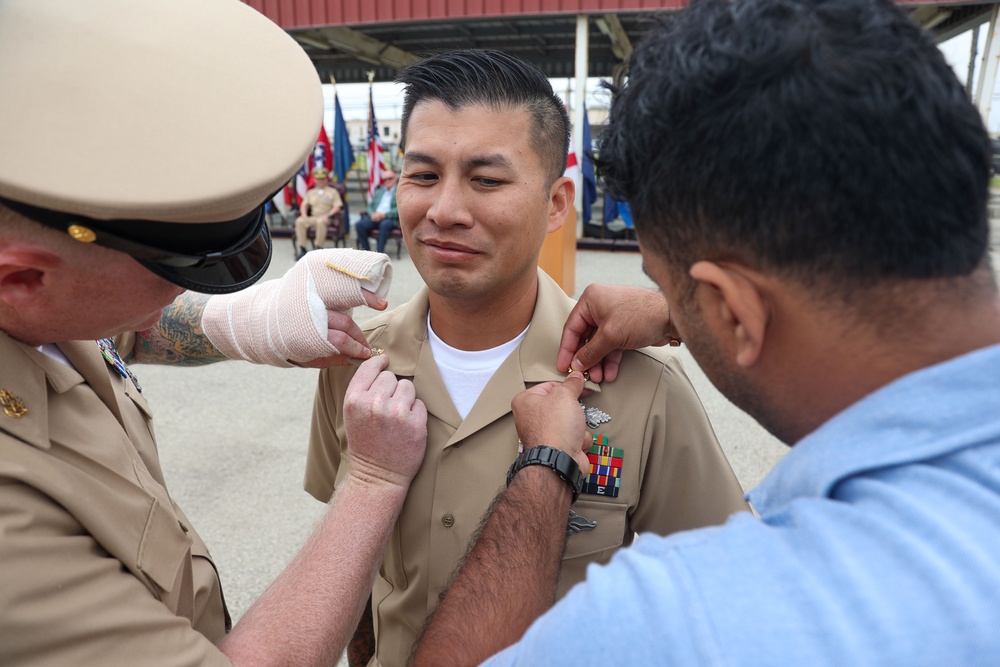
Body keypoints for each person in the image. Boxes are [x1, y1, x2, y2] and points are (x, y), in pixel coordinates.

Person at [410, 0, 1000, 665]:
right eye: (422, 173)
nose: (448, 208)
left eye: (666, 285)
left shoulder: (685, 618)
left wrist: (545, 467)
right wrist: (678, 310)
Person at [0, 1, 427, 665]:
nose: (179, 297)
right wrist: (372, 481)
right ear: (22, 279)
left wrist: (249, 321)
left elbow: (105, 327)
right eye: (170, 277)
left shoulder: (40, 292)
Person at [304, 49, 749, 667]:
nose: (445, 211)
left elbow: (730, 592)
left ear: (558, 203)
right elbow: (353, 576)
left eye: (487, 180)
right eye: (423, 175)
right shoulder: (356, 362)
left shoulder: (639, 388)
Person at [295, 167, 345, 259]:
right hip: (314, 216)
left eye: (322, 179)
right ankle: (302, 249)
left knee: (320, 221)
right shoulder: (311, 192)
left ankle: (318, 248)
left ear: (326, 179)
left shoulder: (332, 192)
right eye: (318, 179)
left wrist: (327, 215)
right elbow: (304, 205)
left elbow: (337, 206)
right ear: (315, 179)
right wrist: (304, 215)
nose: (320, 181)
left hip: (327, 217)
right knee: (299, 221)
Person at [355, 170, 399, 254]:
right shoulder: (379, 191)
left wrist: (384, 215)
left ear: (395, 179)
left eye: (390, 178)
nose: (387, 181)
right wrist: (372, 214)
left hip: (388, 218)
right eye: (385, 179)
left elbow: (399, 209)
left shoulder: (399, 191)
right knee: (359, 225)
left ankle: (379, 253)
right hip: (375, 216)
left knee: (384, 225)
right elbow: (370, 206)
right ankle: (366, 252)